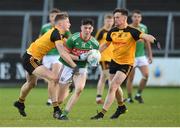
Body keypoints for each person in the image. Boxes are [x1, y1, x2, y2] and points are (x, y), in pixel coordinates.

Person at [90, 8, 160, 120]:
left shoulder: (132, 31)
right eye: (114, 17)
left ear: (124, 18)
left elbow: (146, 36)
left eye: (117, 17)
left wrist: (155, 41)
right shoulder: (112, 31)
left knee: (112, 86)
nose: (115, 19)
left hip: (126, 64)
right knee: (115, 87)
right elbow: (105, 45)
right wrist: (95, 53)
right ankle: (121, 107)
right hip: (114, 61)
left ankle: (102, 114)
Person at [13, 13, 76, 119]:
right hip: (30, 59)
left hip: (30, 57)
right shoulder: (56, 33)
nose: (69, 24)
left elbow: (68, 47)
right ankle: (56, 110)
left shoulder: (59, 34)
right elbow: (62, 53)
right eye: (67, 22)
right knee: (54, 78)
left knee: (31, 83)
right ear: (60, 23)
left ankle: (20, 102)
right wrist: (74, 65)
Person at [57, 18, 99, 120]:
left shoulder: (95, 44)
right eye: (85, 28)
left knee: (79, 89)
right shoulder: (73, 39)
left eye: (89, 28)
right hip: (68, 66)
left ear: (92, 29)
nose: (87, 30)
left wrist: (93, 60)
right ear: (81, 28)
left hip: (81, 68)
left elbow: (94, 57)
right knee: (60, 99)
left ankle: (64, 114)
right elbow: (65, 54)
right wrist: (79, 57)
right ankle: (57, 109)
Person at [40, 8, 71, 106]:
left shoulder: (64, 29)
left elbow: (70, 41)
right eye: (51, 16)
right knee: (50, 79)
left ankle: (51, 99)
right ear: (49, 17)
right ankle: (62, 90)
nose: (53, 18)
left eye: (55, 16)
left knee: (55, 76)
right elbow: (40, 39)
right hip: (46, 55)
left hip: (57, 55)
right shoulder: (45, 27)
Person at [125, 10, 153, 103]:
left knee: (146, 75)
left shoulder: (143, 27)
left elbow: (147, 42)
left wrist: (150, 55)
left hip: (141, 56)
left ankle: (138, 95)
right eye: (135, 16)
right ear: (131, 18)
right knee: (131, 78)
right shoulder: (127, 28)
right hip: (131, 57)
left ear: (141, 18)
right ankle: (129, 97)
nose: (137, 18)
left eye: (138, 17)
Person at [95, 13, 114, 104]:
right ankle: (113, 97)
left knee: (103, 78)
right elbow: (95, 43)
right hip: (103, 57)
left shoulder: (115, 31)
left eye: (111, 20)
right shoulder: (101, 31)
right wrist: (95, 54)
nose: (109, 22)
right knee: (111, 77)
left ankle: (98, 97)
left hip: (113, 57)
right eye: (107, 20)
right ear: (104, 21)